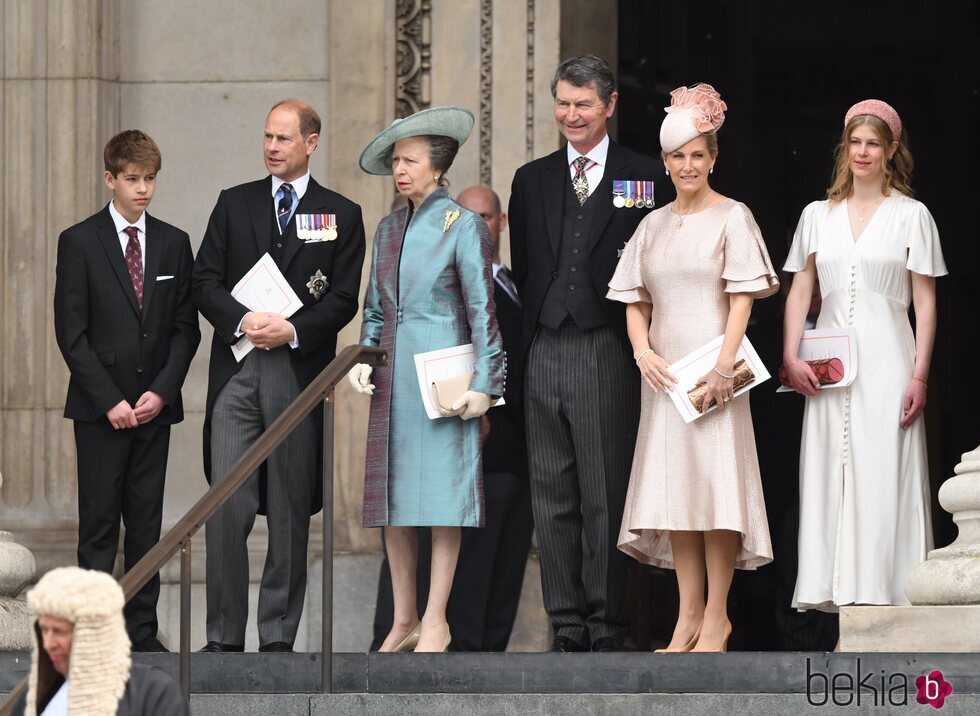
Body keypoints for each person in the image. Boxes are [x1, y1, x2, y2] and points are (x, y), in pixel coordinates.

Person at [608, 83, 778, 652]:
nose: (688, 165)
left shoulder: (733, 216)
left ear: (712, 158)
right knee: (677, 494)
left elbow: (743, 297)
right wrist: (643, 352)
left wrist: (726, 365)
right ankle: (686, 618)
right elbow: (634, 298)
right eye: (678, 156)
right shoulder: (652, 225)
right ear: (665, 162)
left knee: (717, 491)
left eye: (697, 155)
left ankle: (717, 618)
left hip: (716, 375)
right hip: (667, 378)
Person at [192, 99, 366, 652]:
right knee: (226, 504)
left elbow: (342, 300)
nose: (272, 147)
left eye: (284, 139)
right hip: (238, 371)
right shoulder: (233, 203)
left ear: (311, 143)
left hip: (297, 371)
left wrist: (291, 330)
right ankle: (221, 638)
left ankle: (277, 640)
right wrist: (242, 319)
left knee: (290, 510)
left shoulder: (341, 213)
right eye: (267, 136)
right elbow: (204, 281)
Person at [508, 54, 660, 652]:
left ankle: (605, 622)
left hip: (607, 347)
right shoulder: (531, 179)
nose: (571, 115)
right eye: (563, 104)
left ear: (610, 105)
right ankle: (565, 622)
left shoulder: (645, 175)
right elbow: (526, 270)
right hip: (544, 345)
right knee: (551, 494)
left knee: (604, 493)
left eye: (583, 105)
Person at [349, 107, 505, 653]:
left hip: (445, 381)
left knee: (444, 500)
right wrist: (364, 358)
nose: (400, 169)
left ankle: (436, 618)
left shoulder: (461, 226)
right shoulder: (388, 228)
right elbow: (374, 308)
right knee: (392, 503)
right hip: (393, 379)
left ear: (438, 169)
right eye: (395, 161)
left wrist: (486, 384)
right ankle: (404, 617)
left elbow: (483, 309)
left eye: (409, 160)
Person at [782, 100, 946, 615]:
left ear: (892, 149)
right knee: (831, 471)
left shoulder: (912, 215)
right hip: (829, 367)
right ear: (844, 147)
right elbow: (798, 290)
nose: (862, 152)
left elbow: (925, 301)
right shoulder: (817, 215)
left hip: (887, 361)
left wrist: (920, 373)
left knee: (881, 473)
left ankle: (885, 597)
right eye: (855, 142)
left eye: (873, 143)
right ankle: (836, 592)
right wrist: (790, 354)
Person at [53, 130, 200, 652]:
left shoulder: (174, 242)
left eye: (151, 179)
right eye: (133, 179)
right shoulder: (79, 241)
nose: (143, 189)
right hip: (100, 411)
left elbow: (186, 328)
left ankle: (140, 631)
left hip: (152, 409)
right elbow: (71, 332)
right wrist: (108, 399)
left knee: (145, 524)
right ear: (110, 178)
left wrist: (161, 392)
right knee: (98, 523)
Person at [11, 567, 188, 715]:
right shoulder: (31, 699)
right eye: (44, 630)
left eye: (59, 631)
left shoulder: (153, 693)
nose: (49, 644)